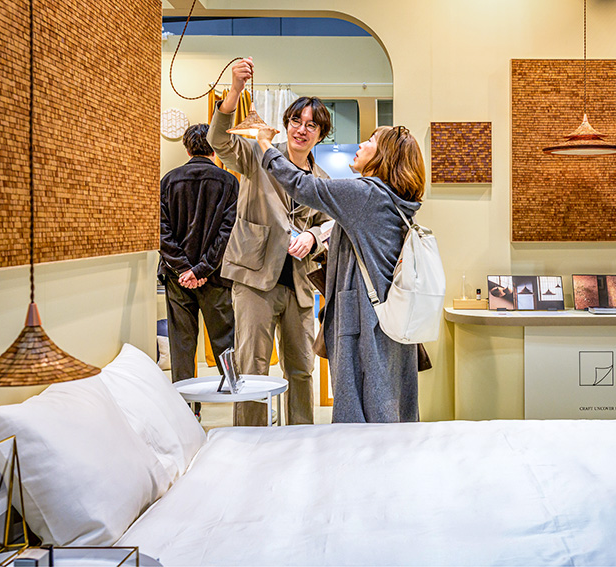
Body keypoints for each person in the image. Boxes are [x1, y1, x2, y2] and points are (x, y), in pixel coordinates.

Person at [256, 125, 425, 423]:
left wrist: (265, 145)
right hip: (391, 316)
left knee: (363, 407)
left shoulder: (365, 194)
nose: (361, 144)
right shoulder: (395, 200)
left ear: (384, 155)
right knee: (392, 400)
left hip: (362, 319)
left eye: (370, 141)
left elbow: (302, 185)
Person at [207, 58, 332, 426]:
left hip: (299, 285)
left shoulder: (322, 181)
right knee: (251, 370)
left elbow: (330, 226)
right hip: (254, 279)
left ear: (320, 134)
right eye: (296, 121)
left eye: (311, 125)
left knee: (302, 370)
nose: (301, 130)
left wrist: (312, 236)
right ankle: (250, 440)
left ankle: (301, 439)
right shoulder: (258, 155)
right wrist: (235, 92)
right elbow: (218, 141)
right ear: (287, 124)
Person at [159, 123, 238, 417]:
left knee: (182, 345)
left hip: (177, 278)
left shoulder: (168, 181)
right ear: (214, 147)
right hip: (216, 277)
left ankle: (187, 412)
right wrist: (203, 268)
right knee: (225, 341)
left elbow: (161, 231)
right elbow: (228, 233)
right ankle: (242, 403)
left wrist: (184, 268)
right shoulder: (228, 182)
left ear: (187, 147)